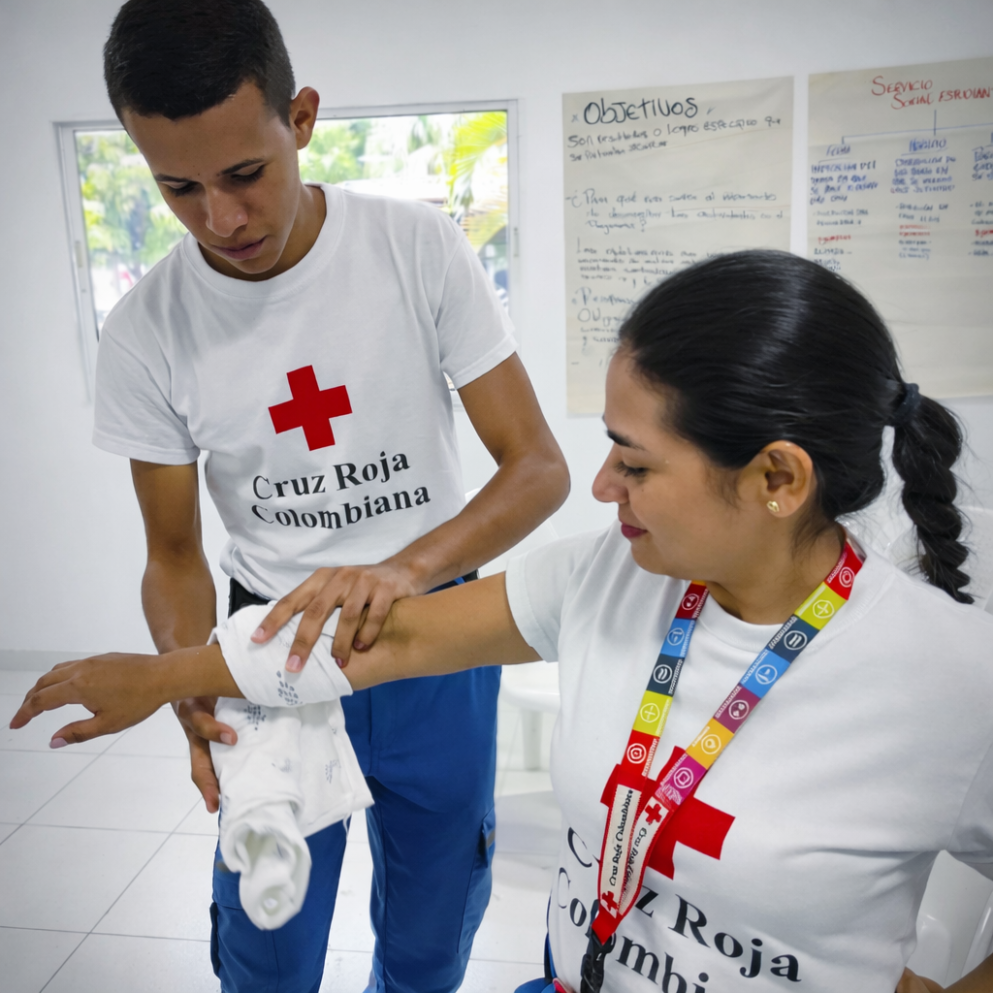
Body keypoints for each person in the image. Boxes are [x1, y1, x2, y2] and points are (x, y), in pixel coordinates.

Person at [14, 250, 993, 993]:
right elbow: (386, 640)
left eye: (636, 462)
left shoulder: (947, 679)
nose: (602, 484)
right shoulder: (612, 577)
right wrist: (163, 676)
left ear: (777, 477)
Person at [84, 2, 570, 991]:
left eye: (244, 175)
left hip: (437, 637)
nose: (221, 220)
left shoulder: (416, 249)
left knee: (433, 921)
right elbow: (174, 554)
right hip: (269, 657)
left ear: (300, 118)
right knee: (268, 938)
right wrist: (188, 676)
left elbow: (538, 468)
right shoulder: (146, 329)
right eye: (177, 187)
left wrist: (398, 570)